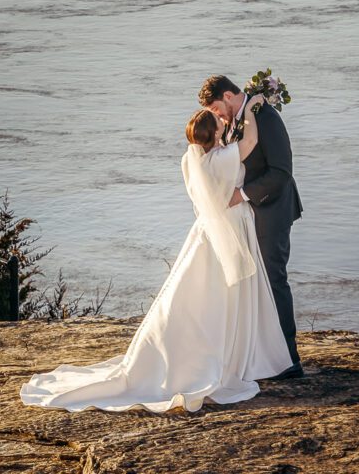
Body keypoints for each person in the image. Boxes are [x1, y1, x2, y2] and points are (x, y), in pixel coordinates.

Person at [19, 94, 292, 414]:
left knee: (202, 296)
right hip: (230, 229)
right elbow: (252, 139)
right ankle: (229, 357)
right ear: (216, 134)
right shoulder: (222, 158)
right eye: (218, 122)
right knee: (222, 297)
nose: (221, 120)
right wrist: (252, 106)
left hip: (209, 231)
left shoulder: (194, 161)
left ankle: (220, 353)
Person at [198, 75, 303, 377]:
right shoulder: (237, 120)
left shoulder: (265, 117)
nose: (216, 115)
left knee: (274, 281)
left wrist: (241, 195)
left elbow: (281, 171)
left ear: (229, 96)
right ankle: (264, 355)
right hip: (247, 217)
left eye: (217, 108)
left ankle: (290, 360)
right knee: (255, 287)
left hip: (272, 211)